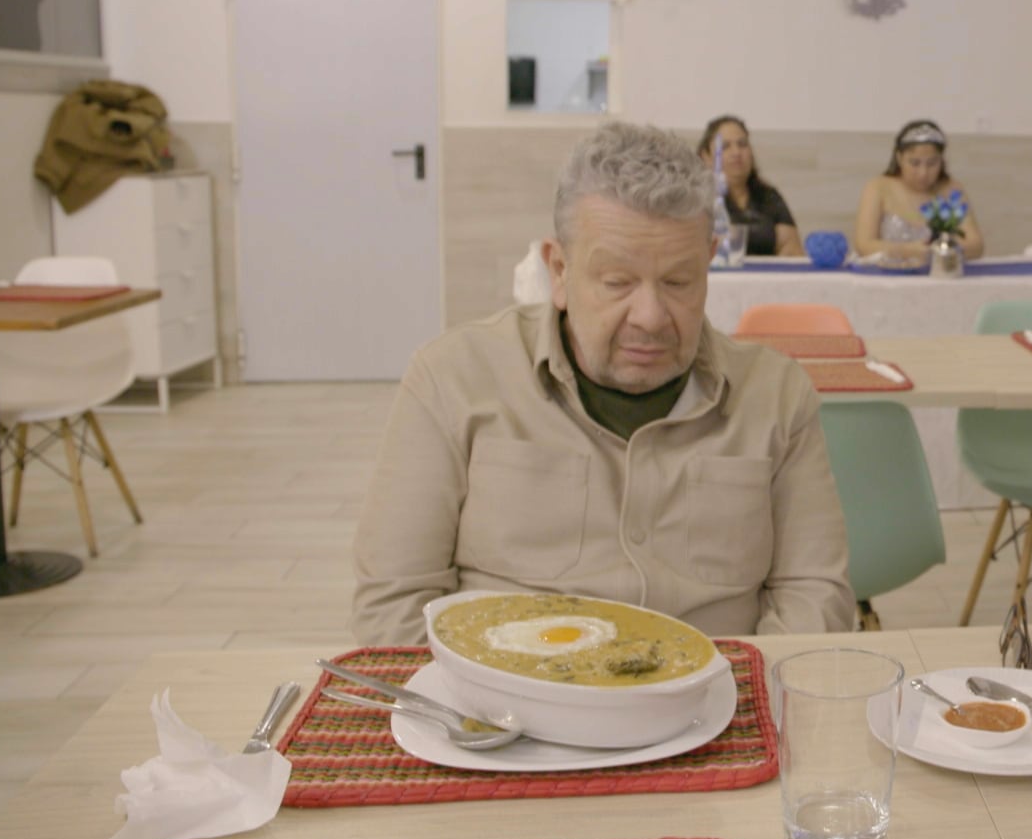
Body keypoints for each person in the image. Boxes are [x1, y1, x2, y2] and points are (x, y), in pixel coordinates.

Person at [350, 122, 855, 645]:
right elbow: (395, 605)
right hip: (503, 715)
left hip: (718, 709)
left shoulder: (775, 396)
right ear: (560, 270)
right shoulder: (452, 379)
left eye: (679, 282)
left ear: (709, 263)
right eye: (617, 282)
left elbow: (813, 596)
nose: (651, 316)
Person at [851, 119, 987, 261]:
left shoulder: (951, 189)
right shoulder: (878, 187)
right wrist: (905, 251)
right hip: (887, 278)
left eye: (932, 163)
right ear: (899, 158)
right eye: (914, 163)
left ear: (942, 160)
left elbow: (976, 245)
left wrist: (941, 249)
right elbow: (863, 245)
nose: (923, 173)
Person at [697, 115, 802, 257]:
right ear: (706, 156)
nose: (736, 153)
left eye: (742, 144)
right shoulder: (698, 198)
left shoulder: (768, 196)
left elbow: (791, 248)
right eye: (725, 146)